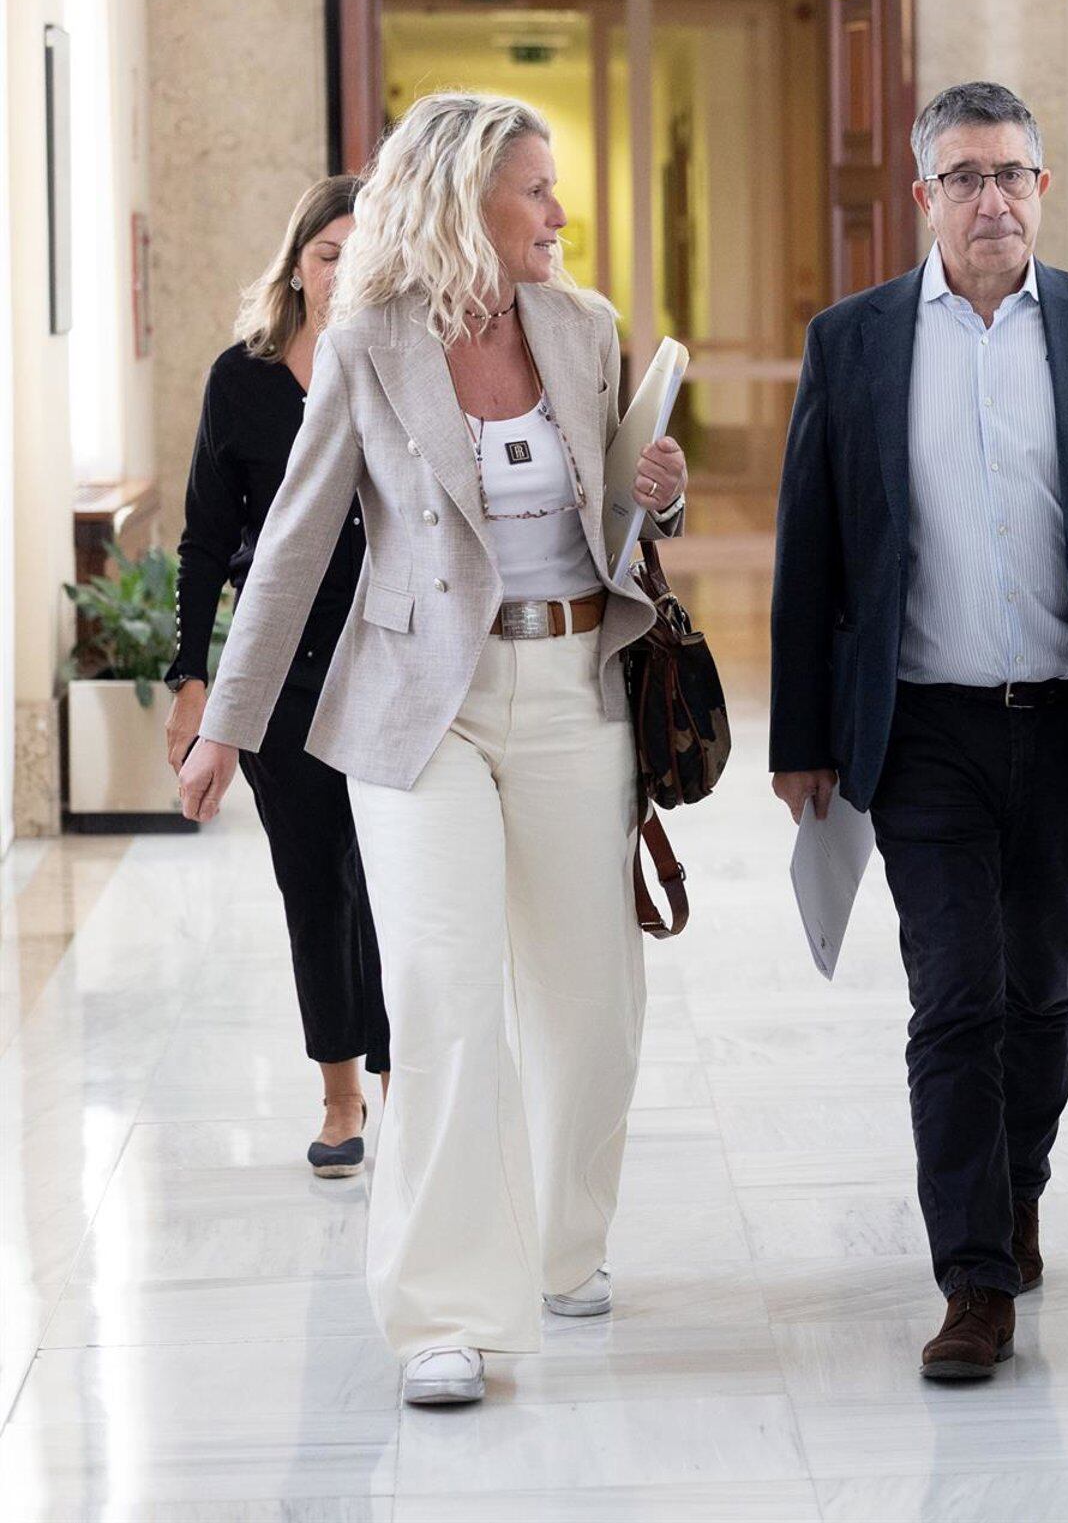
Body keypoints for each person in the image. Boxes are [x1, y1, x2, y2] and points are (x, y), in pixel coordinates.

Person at [176, 93, 689, 1407]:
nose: (558, 214)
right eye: (535, 189)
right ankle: (444, 1313)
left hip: (576, 686)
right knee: (448, 996)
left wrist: (652, 497)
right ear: (465, 197)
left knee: (594, 1006)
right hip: (422, 708)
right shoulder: (367, 344)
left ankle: (563, 1239)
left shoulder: (584, 328)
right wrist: (224, 724)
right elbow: (292, 545)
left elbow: (610, 523)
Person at [771, 81, 1068, 1381]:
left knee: (1045, 986)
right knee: (955, 993)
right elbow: (815, 553)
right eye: (963, 177)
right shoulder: (853, 344)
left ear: (1041, 189)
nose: (992, 199)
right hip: (921, 731)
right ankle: (972, 1278)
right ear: (923, 198)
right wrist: (804, 735)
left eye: (1012, 174)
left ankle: (1019, 1183)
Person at [165, 176, 390, 1178]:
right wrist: (191, 677)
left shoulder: (397, 365)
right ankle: (341, 1094)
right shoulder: (242, 378)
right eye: (326, 252)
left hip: (390, 663)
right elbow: (207, 540)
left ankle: (407, 1086)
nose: (342, 270)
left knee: (395, 881)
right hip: (285, 673)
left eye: (361, 252)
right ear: (298, 265)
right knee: (317, 884)